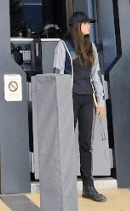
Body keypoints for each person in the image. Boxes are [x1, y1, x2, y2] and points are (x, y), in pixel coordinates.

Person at [52, 11, 108, 203]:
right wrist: (58, 102)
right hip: (69, 99)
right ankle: (63, 185)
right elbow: (57, 74)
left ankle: (88, 187)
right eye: (85, 23)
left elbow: (95, 75)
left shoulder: (91, 47)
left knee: (86, 144)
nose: (89, 26)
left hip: (86, 100)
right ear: (77, 26)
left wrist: (101, 101)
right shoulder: (63, 45)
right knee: (65, 143)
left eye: (89, 24)